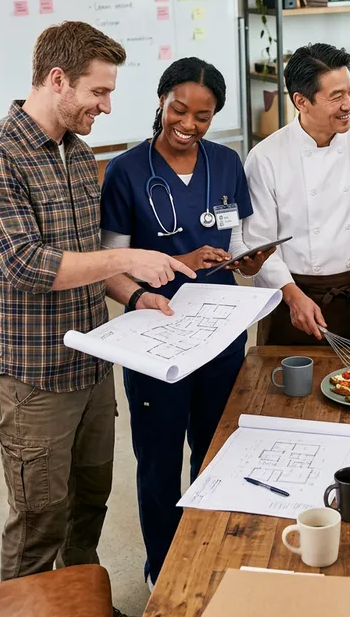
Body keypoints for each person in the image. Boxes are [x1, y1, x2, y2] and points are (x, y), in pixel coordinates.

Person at [0, 22, 193, 617]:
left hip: (90, 363)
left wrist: (130, 296)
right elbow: (27, 265)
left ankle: (83, 613)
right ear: (57, 80)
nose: (106, 106)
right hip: (32, 375)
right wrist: (127, 258)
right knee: (38, 521)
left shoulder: (79, 157)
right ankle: (24, 616)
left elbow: (86, 264)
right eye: (98, 92)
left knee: (89, 504)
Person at [100, 57, 272, 587]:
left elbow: (237, 240)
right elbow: (110, 270)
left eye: (203, 115)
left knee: (216, 453)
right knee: (158, 463)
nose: (189, 124)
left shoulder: (225, 162)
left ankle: (210, 558)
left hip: (220, 337)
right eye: (180, 109)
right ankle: (163, 570)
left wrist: (248, 259)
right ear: (161, 101)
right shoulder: (126, 172)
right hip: (156, 339)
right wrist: (137, 299)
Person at [244, 43, 350, 345]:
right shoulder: (266, 157)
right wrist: (292, 296)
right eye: (336, 96)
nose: (349, 104)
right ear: (301, 101)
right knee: (286, 390)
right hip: (291, 299)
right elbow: (261, 243)